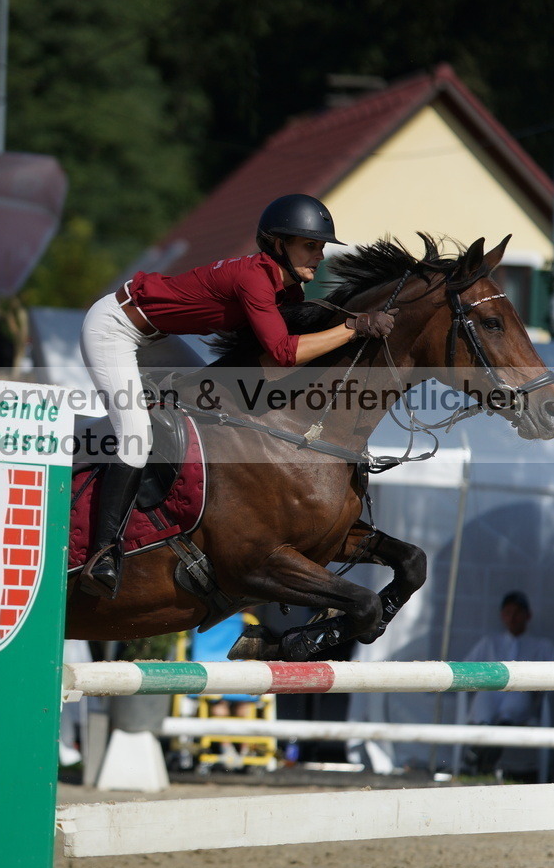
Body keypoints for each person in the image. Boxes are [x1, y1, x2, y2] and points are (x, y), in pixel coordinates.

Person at [80, 193, 397, 598]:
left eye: (320, 247)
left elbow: (273, 358)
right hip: (114, 327)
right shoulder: (254, 278)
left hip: (155, 337)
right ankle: (103, 552)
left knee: (207, 401)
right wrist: (355, 327)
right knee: (136, 436)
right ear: (279, 244)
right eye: (310, 246)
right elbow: (282, 354)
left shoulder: (287, 291)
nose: (318, 256)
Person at [463, 591, 554, 778]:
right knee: (485, 698)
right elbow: (465, 670)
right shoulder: (489, 642)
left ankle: (482, 751)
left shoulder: (542, 646)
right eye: (508, 612)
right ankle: (486, 746)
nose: (512, 617)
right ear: (502, 615)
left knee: (516, 698)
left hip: (521, 697)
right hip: (491, 696)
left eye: (517, 612)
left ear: (527, 615)